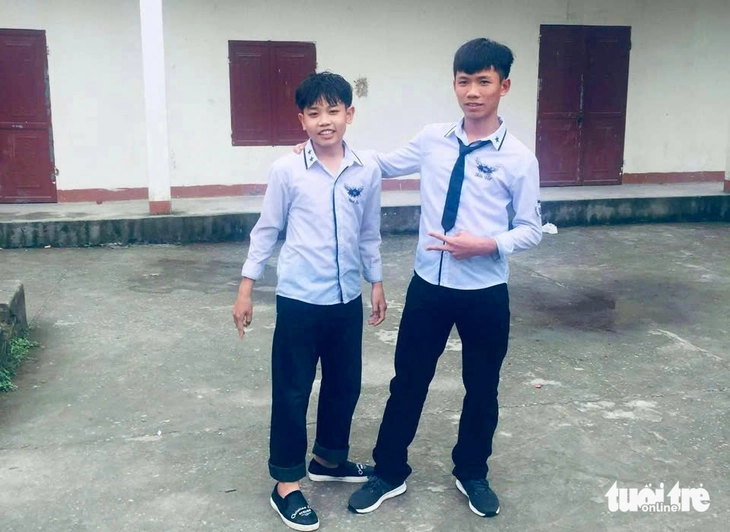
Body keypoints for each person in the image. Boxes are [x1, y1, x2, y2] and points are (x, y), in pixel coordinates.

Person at [345, 38, 543, 518]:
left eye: (483, 82)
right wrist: (326, 146)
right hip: (429, 289)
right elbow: (381, 164)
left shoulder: (519, 158)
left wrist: (488, 243)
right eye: (463, 81)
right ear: (454, 84)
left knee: (482, 387)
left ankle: (471, 471)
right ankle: (389, 471)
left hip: (484, 292)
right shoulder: (433, 138)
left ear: (504, 86)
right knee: (408, 381)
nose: (472, 92)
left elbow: (531, 228)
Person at [232, 72, 387, 531]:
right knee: (293, 390)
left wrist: (376, 281)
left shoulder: (365, 169)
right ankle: (286, 483)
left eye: (333, 111)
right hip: (300, 300)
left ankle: (328, 460)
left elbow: (369, 232)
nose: (325, 121)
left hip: (346, 298)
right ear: (301, 120)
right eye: (314, 113)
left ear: (349, 114)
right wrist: (246, 288)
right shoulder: (287, 170)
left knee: (345, 384)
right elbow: (266, 230)